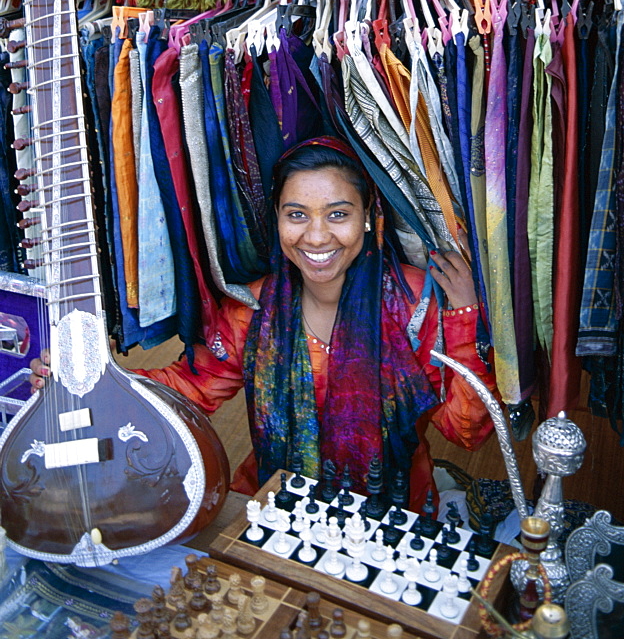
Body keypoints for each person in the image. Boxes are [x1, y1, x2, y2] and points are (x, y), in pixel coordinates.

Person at [31, 137, 496, 511]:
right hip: (273, 502)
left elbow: (466, 430)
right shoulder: (254, 309)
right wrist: (93, 380)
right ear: (276, 220)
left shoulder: (415, 303)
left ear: (371, 216)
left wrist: (463, 320)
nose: (316, 236)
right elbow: (189, 390)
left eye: (338, 214)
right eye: (297, 215)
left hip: (396, 516)